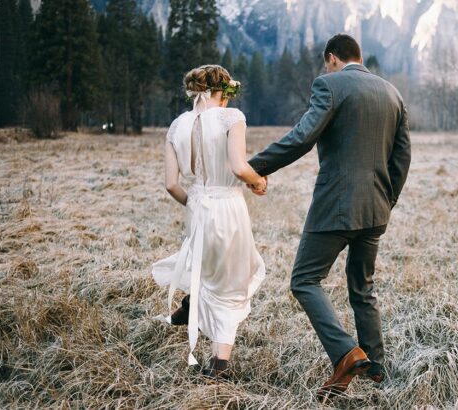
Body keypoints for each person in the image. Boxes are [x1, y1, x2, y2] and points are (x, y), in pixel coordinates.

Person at [247, 33, 411, 402]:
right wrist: (388, 199)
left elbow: (303, 137)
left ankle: (346, 354)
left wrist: (253, 166)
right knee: (362, 286)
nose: (326, 69)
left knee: (304, 279)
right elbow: (402, 158)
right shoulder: (392, 93)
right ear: (360, 57)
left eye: (327, 63)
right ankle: (376, 366)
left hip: (336, 206)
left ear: (332, 58)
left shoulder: (330, 85)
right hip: (376, 209)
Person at [150, 64, 267, 381]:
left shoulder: (177, 126)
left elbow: (171, 184)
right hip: (228, 206)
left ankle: (194, 304)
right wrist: (258, 181)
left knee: (208, 271)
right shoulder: (232, 118)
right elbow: (239, 167)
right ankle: (219, 362)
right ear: (222, 92)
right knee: (231, 282)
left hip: (197, 207)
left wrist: (195, 204)